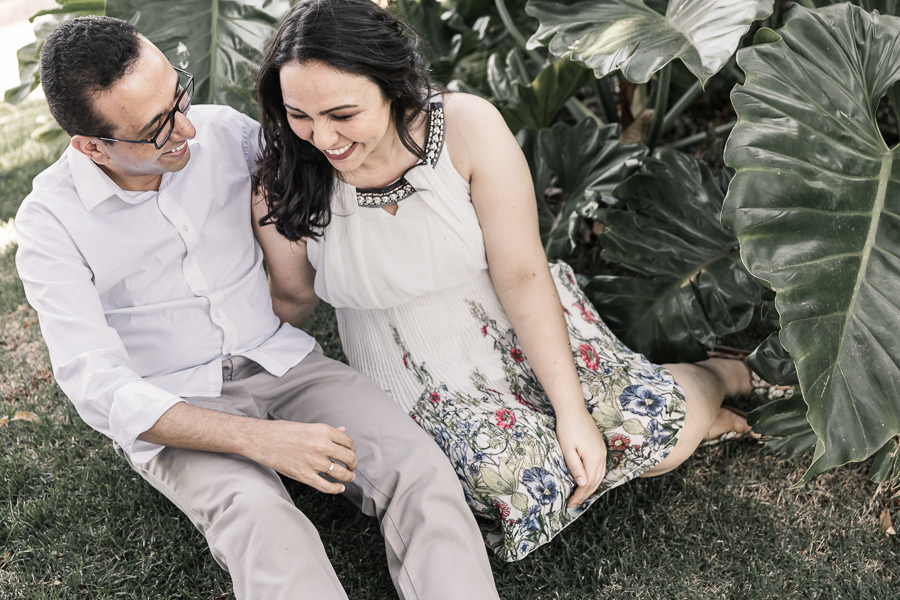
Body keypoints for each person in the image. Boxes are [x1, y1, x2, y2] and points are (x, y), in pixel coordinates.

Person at [252, 0, 771, 563]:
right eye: (298, 114)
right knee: (517, 483)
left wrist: (571, 409)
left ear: (391, 85)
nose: (321, 137)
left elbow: (522, 275)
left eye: (342, 114)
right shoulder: (284, 174)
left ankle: (721, 374)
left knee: (651, 426)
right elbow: (293, 296)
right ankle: (678, 429)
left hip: (509, 315)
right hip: (407, 368)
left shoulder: (465, 127)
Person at [14, 15, 501, 600]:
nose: (188, 129)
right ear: (92, 147)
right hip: (177, 402)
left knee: (419, 468)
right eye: (157, 129)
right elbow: (98, 386)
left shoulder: (228, 133)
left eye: (180, 97)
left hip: (283, 362)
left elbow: (338, 150)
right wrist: (261, 442)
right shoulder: (50, 223)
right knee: (265, 523)